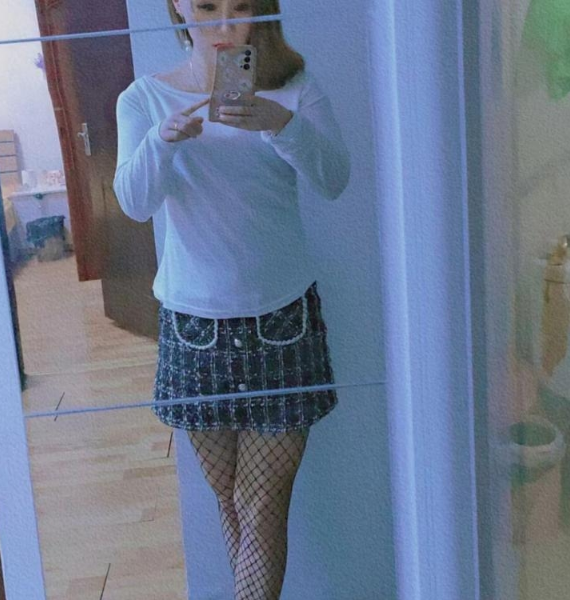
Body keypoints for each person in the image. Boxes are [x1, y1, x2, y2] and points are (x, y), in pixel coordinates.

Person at [113, 1, 350, 597]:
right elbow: (134, 203)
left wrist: (280, 122)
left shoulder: (292, 87)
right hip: (194, 327)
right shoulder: (145, 98)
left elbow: (334, 180)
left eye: (239, 7)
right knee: (232, 500)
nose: (222, 25)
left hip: (282, 320)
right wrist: (163, 140)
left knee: (261, 502)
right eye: (206, 6)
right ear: (178, 5)